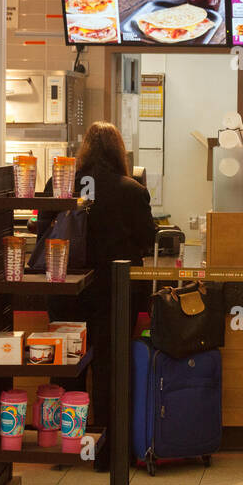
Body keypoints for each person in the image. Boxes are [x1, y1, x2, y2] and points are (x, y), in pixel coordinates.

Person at [43, 122, 157, 461]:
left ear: (85, 151)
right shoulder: (131, 190)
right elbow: (147, 239)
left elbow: (40, 232)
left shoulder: (59, 184)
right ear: (119, 151)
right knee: (111, 365)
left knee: (68, 365)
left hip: (66, 288)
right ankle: (108, 452)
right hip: (116, 291)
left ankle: (67, 447)